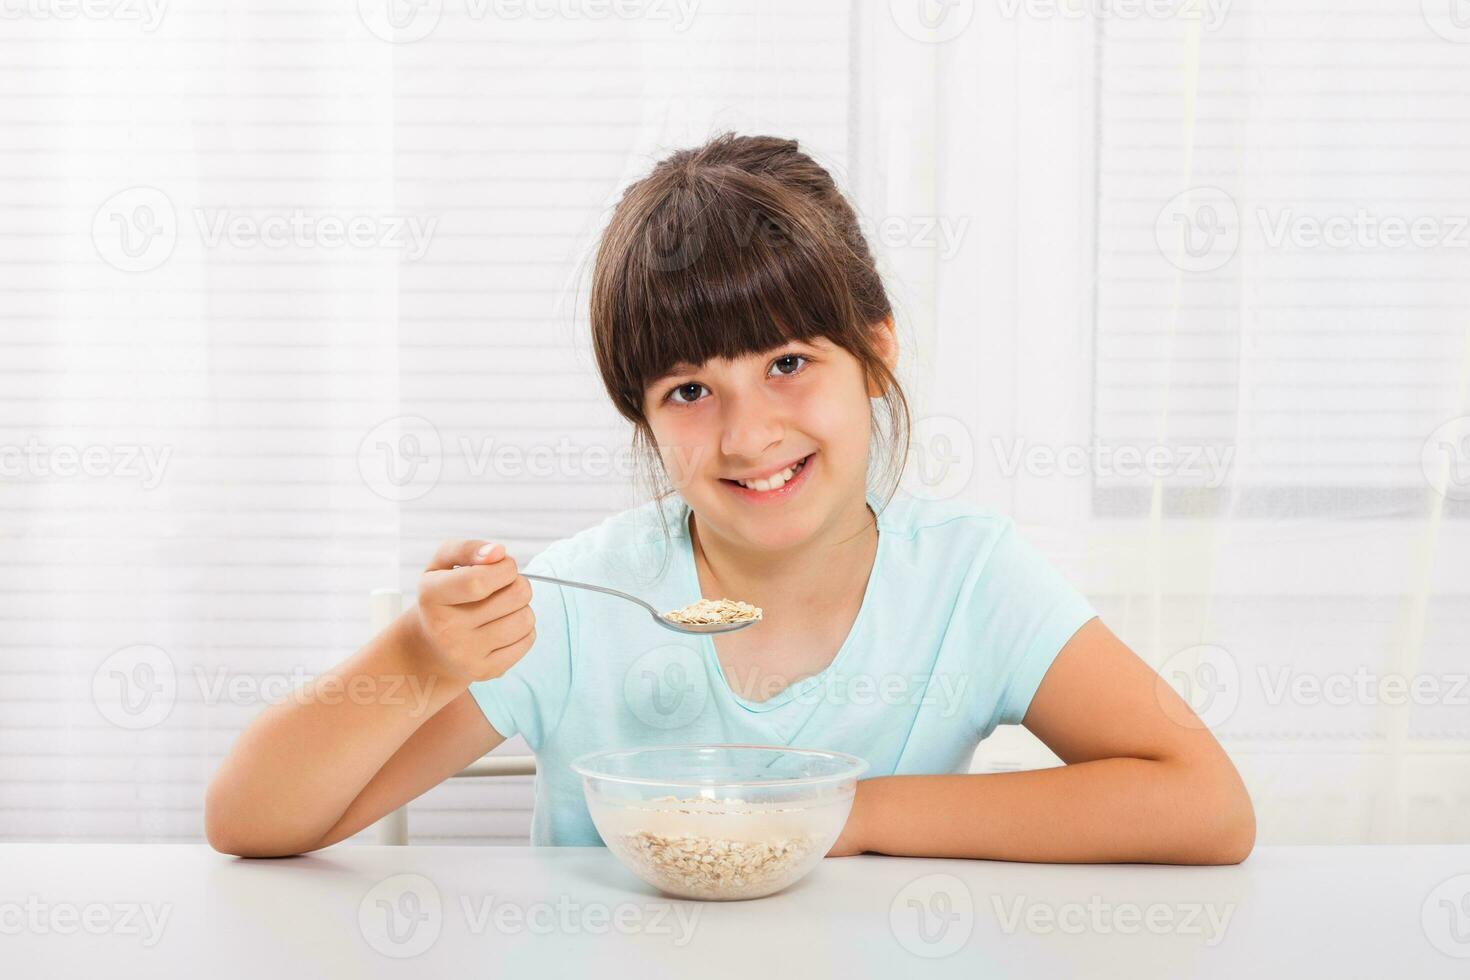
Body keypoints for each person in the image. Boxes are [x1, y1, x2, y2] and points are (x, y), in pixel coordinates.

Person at [206, 133, 1254, 864]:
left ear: (875, 355)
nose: (751, 434)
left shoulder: (968, 579)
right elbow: (251, 820)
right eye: (691, 390)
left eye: (791, 361)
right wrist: (417, 657)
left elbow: (1205, 804)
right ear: (644, 418)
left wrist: (845, 816)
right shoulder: (578, 600)